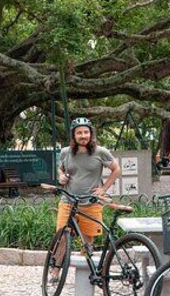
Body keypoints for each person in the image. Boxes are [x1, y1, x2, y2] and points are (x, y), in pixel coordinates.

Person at [50, 118, 121, 280]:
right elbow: (61, 169)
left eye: (86, 132)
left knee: (87, 240)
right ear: (73, 135)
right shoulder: (65, 152)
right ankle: (56, 271)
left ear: (91, 134)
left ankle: (88, 272)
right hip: (68, 201)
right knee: (62, 236)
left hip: (90, 203)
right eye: (79, 133)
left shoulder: (100, 152)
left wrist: (103, 188)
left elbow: (116, 170)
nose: (83, 136)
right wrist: (61, 176)